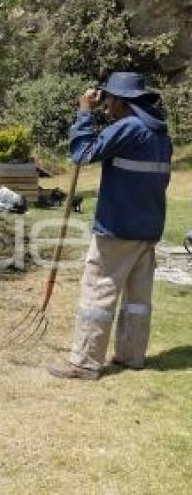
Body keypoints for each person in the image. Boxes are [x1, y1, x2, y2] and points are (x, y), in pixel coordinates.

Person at [49, 72, 172, 380]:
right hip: (147, 227)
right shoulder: (159, 134)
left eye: (109, 100)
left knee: (98, 293)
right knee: (138, 298)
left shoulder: (129, 128)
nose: (106, 107)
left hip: (118, 227)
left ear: (121, 100)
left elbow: (82, 153)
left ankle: (85, 362)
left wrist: (84, 113)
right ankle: (131, 356)